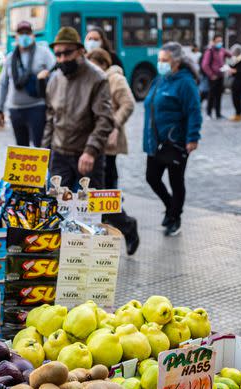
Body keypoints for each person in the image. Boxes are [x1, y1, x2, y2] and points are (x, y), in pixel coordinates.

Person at [43, 27, 113, 191]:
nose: (62, 58)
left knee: (88, 211)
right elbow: (50, 119)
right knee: (57, 207)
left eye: (67, 53)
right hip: (59, 153)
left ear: (81, 51)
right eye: (58, 54)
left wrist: (90, 151)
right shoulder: (55, 80)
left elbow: (105, 119)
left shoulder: (97, 78)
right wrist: (44, 151)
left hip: (86, 154)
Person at [143, 42, 202, 237]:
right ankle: (170, 208)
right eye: (159, 60)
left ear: (176, 62)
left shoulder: (185, 82)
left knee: (176, 181)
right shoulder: (160, 79)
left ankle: (175, 218)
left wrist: (192, 138)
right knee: (151, 177)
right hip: (155, 140)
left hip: (175, 140)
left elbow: (194, 111)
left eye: (164, 60)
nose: (161, 63)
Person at [87, 48, 139, 256]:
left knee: (102, 192)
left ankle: (126, 226)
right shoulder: (90, 79)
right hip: (90, 143)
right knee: (94, 193)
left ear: (101, 63)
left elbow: (128, 103)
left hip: (107, 145)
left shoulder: (114, 78)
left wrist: (114, 125)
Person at [0, 21, 56, 147]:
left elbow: (56, 76)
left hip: (37, 107)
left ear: (33, 35)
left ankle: (45, 168)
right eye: (21, 33)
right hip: (16, 110)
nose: (24, 36)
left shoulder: (44, 53)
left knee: (41, 146)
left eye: (27, 33)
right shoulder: (10, 58)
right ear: (16, 37)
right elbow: (3, 84)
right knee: (21, 149)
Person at [201, 35, 231, 119]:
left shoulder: (222, 50)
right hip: (213, 77)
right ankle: (209, 113)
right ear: (213, 42)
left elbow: (230, 55)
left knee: (219, 95)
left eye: (221, 41)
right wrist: (211, 74)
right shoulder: (209, 51)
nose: (220, 43)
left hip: (221, 75)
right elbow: (205, 65)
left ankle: (218, 113)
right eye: (218, 41)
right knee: (211, 95)